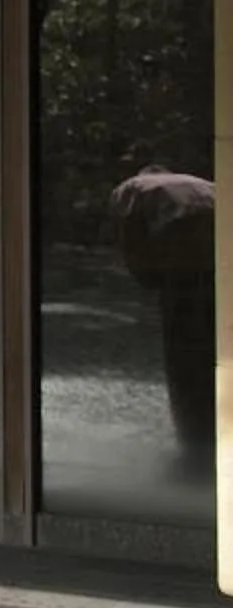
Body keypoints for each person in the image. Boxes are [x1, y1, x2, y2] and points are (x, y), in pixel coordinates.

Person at [110, 166, 215, 458]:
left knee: (183, 347)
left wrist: (146, 277)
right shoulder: (200, 183)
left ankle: (194, 436)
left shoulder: (132, 187)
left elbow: (129, 233)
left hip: (183, 251)